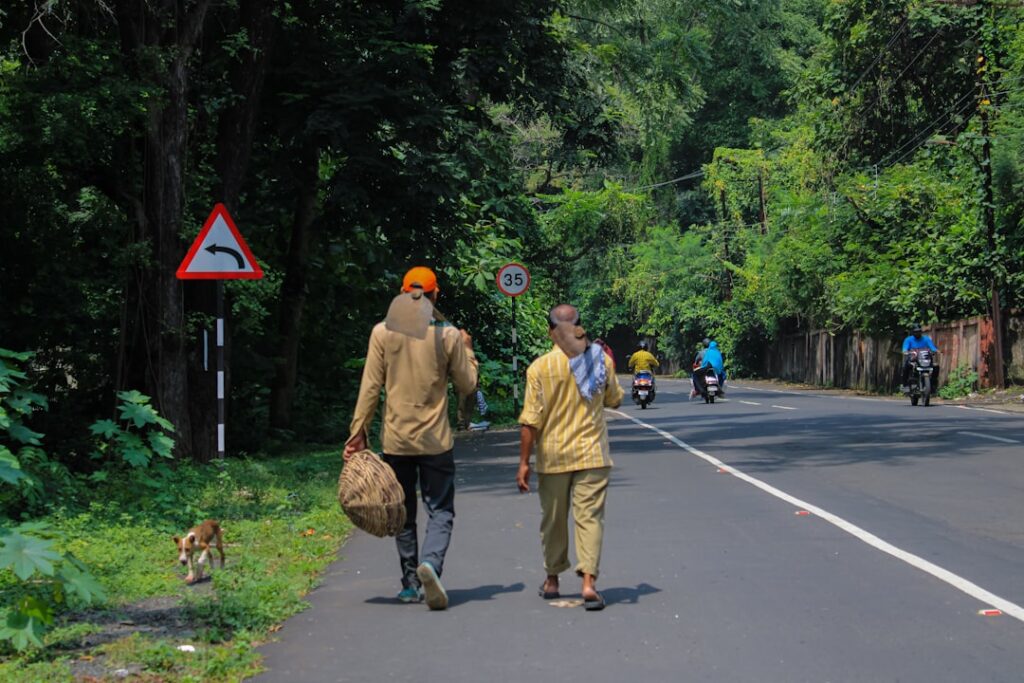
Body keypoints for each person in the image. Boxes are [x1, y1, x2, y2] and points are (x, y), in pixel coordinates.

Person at [344, 266, 478, 610]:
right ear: (435, 296)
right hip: (435, 441)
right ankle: (430, 564)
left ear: (403, 294)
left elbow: (370, 386)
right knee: (441, 510)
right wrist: (468, 350)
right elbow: (468, 385)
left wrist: (358, 432)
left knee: (403, 511)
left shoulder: (382, 333)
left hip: (396, 440)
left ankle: (408, 584)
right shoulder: (447, 335)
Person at [517, 305, 624, 611]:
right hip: (592, 455)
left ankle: (552, 580)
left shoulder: (539, 368)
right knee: (589, 519)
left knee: (553, 520)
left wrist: (524, 462)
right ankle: (588, 583)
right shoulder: (599, 360)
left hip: (553, 458)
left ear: (550, 331)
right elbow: (614, 398)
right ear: (579, 328)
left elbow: (530, 421)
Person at [900, 324, 939, 392]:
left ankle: (933, 385)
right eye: (915, 331)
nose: (917, 333)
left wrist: (936, 351)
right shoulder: (908, 339)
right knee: (906, 367)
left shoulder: (926, 339)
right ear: (913, 332)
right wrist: (906, 352)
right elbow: (905, 349)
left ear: (921, 331)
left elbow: (932, 348)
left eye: (919, 331)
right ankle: (905, 385)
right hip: (913, 360)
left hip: (925, 359)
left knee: (936, 366)